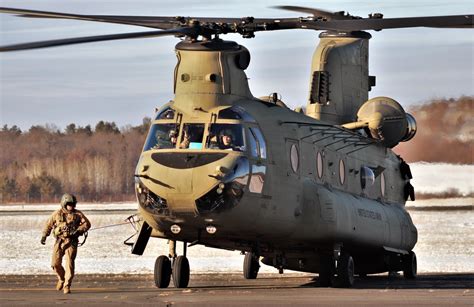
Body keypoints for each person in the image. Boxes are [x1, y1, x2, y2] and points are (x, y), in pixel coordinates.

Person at [41, 193, 91, 294]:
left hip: (72, 242)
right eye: (69, 204)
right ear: (64, 204)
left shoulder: (78, 214)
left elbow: (87, 224)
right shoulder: (57, 214)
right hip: (59, 241)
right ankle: (61, 278)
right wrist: (44, 235)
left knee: (69, 264)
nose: (71, 206)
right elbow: (48, 224)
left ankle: (67, 285)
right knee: (55, 263)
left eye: (73, 204)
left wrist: (78, 231)